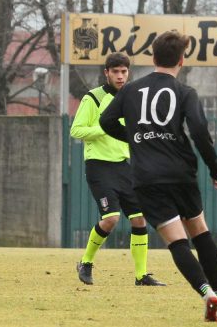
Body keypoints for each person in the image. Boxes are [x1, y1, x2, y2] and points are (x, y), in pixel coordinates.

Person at [99, 30, 217, 322]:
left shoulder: (130, 89)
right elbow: (200, 132)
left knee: (177, 242)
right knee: (200, 233)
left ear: (152, 57)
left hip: (147, 178)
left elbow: (106, 120)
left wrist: (135, 138)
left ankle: (206, 293)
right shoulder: (185, 92)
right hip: (181, 173)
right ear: (182, 60)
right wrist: (216, 170)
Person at [70, 52, 164, 287]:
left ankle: (141, 276)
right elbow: (76, 130)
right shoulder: (93, 98)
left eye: (124, 72)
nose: (121, 76)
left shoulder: (130, 98)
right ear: (107, 73)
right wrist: (105, 127)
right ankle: (86, 262)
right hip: (99, 166)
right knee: (111, 219)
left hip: (124, 167)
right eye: (116, 72)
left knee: (140, 219)